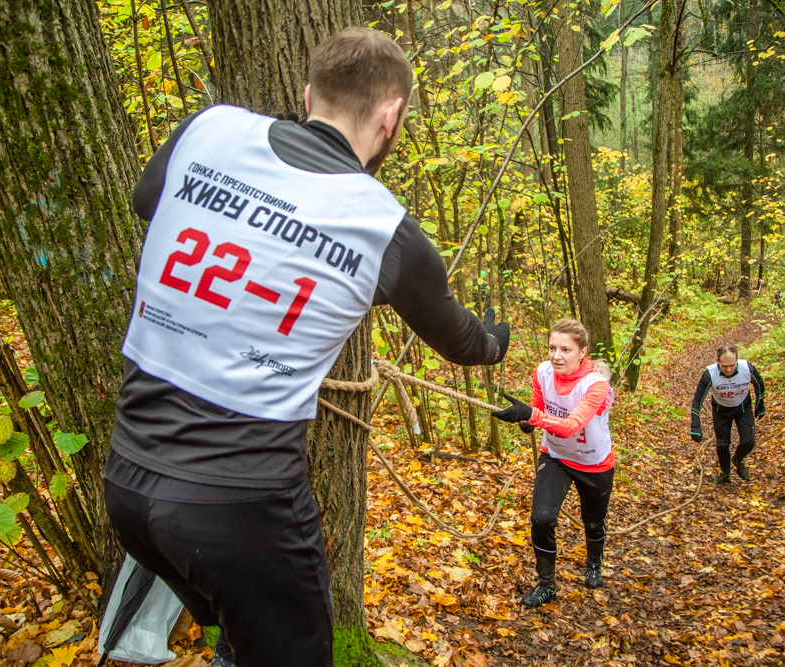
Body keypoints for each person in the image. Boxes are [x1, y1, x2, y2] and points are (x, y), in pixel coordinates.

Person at [103, 27, 510, 667]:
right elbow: (461, 341)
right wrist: (497, 341)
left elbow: (145, 200)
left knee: (243, 637)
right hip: (243, 512)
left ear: (307, 92)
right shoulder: (383, 229)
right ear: (391, 116)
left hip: (127, 482)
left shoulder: (208, 131)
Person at [491, 319, 615, 606]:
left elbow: (572, 425)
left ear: (582, 353)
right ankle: (546, 583)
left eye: (565, 350)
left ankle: (594, 563)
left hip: (593, 463)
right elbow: (539, 407)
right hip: (556, 455)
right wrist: (528, 420)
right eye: (552, 348)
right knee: (541, 518)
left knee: (593, 522)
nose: (556, 356)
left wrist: (533, 416)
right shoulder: (543, 372)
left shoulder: (595, 385)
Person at [689, 345, 766, 484]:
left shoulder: (747, 368)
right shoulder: (710, 374)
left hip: (743, 408)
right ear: (717, 360)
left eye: (732, 365)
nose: (729, 369)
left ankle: (738, 459)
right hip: (721, 411)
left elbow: (759, 384)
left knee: (749, 442)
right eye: (724, 366)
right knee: (723, 444)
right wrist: (695, 426)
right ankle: (725, 472)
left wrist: (760, 405)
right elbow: (697, 400)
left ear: (737, 360)